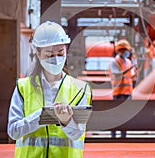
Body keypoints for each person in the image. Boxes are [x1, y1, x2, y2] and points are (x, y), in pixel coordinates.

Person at [7, 21, 92, 158]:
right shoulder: (23, 87)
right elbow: (13, 131)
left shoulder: (80, 89)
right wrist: (41, 116)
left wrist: (66, 121)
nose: (56, 59)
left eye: (60, 53)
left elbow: (78, 135)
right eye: (49, 55)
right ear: (38, 53)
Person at [108, 39, 137, 138]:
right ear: (119, 51)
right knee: (116, 115)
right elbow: (117, 74)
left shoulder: (128, 62)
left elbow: (130, 76)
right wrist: (129, 69)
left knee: (126, 116)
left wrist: (135, 73)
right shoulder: (114, 62)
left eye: (126, 50)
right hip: (118, 93)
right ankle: (113, 136)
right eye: (124, 50)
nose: (125, 52)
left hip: (128, 92)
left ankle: (124, 136)